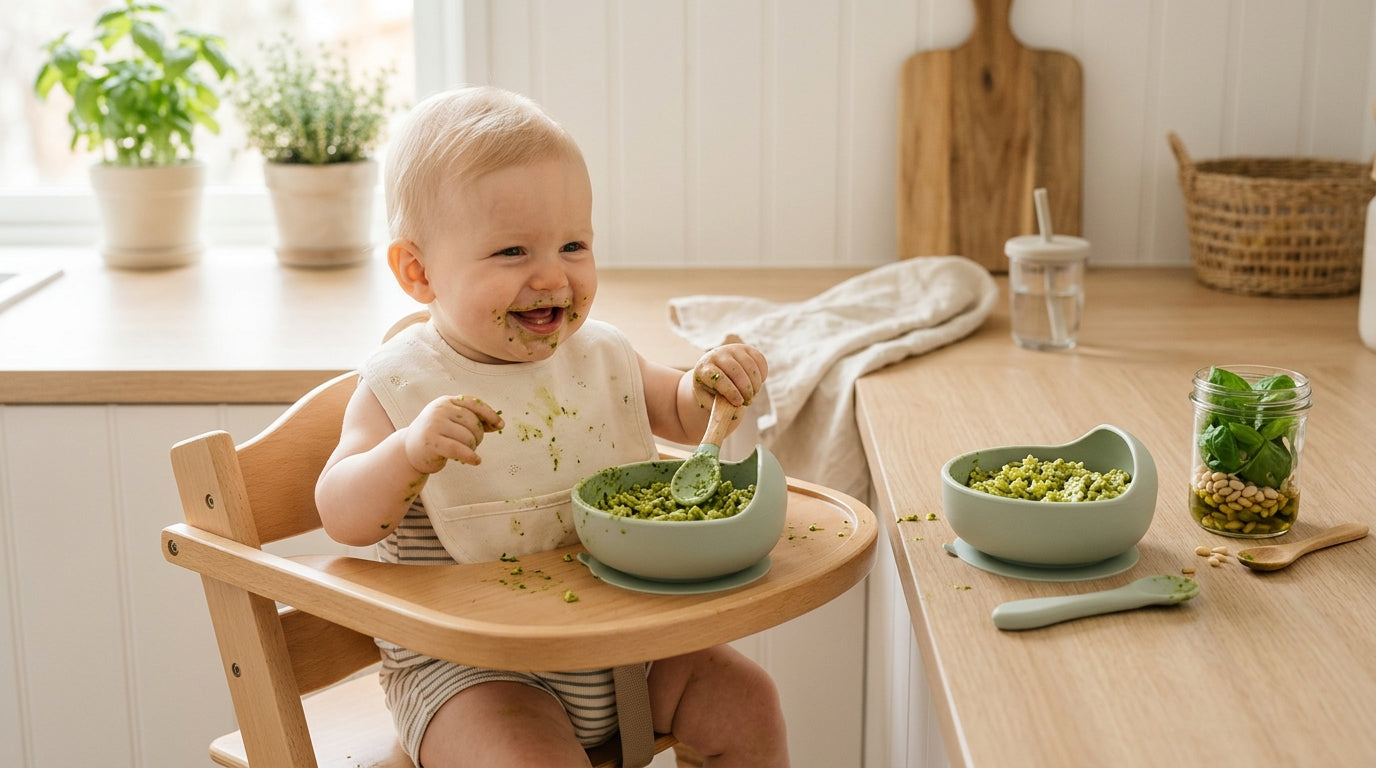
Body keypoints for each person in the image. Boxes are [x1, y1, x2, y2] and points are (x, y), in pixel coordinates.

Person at [315, 85, 788, 768]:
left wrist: (709, 385)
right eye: (512, 252)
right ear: (418, 272)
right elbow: (341, 513)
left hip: (625, 643)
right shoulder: (403, 383)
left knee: (750, 701)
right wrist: (407, 453)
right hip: (474, 673)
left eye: (573, 245)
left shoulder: (599, 355)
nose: (551, 277)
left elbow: (681, 416)